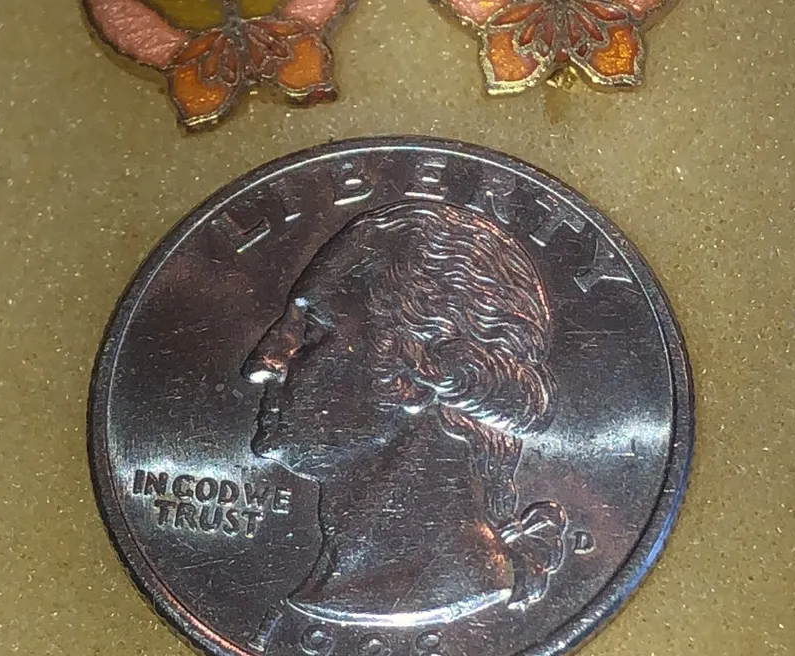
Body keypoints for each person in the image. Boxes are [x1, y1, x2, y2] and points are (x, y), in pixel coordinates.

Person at [242, 200, 566, 625]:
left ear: (420, 372)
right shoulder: (351, 586)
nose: (261, 364)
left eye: (312, 331)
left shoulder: (427, 586)